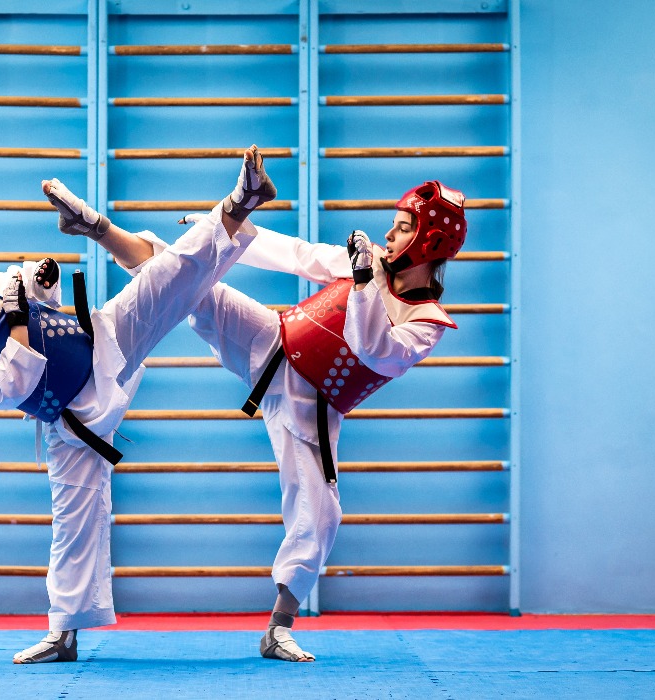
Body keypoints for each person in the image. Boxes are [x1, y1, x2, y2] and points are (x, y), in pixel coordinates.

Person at [0, 146, 277, 664]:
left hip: (103, 342)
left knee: (168, 275)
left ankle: (241, 202)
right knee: (75, 523)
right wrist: (14, 312)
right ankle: (64, 633)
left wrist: (42, 273)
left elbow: (44, 291)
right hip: (73, 420)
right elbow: (14, 384)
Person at [178, 180, 468, 661]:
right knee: (191, 283)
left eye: (401, 229)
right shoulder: (369, 262)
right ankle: (100, 229)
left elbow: (375, 349)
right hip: (271, 343)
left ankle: (278, 627)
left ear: (427, 244)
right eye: (393, 228)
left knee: (322, 514)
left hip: (310, 405)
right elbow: (298, 255)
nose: (388, 237)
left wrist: (362, 284)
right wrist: (220, 232)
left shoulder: (428, 321)